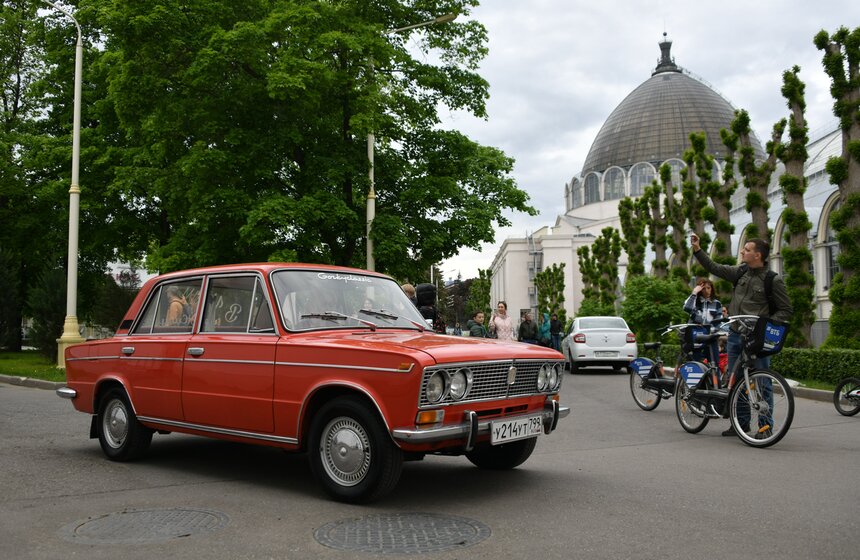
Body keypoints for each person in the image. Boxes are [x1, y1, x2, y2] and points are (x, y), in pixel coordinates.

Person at [691, 233, 792, 437]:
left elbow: (786, 310)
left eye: (747, 249)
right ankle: (741, 424)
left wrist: (765, 325)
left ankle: (765, 427)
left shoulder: (773, 280)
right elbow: (714, 268)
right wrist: (697, 250)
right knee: (736, 380)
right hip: (736, 335)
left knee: (762, 382)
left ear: (758, 255)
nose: (742, 252)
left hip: (757, 339)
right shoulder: (740, 273)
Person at [683, 277, 724, 365]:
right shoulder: (694, 301)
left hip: (710, 338)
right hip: (696, 338)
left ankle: (715, 379)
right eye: (703, 288)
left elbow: (718, 322)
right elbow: (687, 308)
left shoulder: (717, 304)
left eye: (708, 288)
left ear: (712, 289)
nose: (706, 290)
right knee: (696, 364)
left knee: (715, 365)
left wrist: (709, 332)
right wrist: (694, 293)